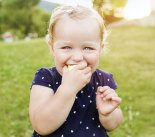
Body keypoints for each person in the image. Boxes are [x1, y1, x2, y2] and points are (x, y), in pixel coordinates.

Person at [29, 5, 123, 137]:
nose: (78, 58)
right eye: (66, 47)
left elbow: (113, 125)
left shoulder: (103, 79)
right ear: (52, 48)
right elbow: (42, 126)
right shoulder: (45, 77)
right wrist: (68, 89)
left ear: (100, 49)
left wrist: (107, 114)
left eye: (88, 48)